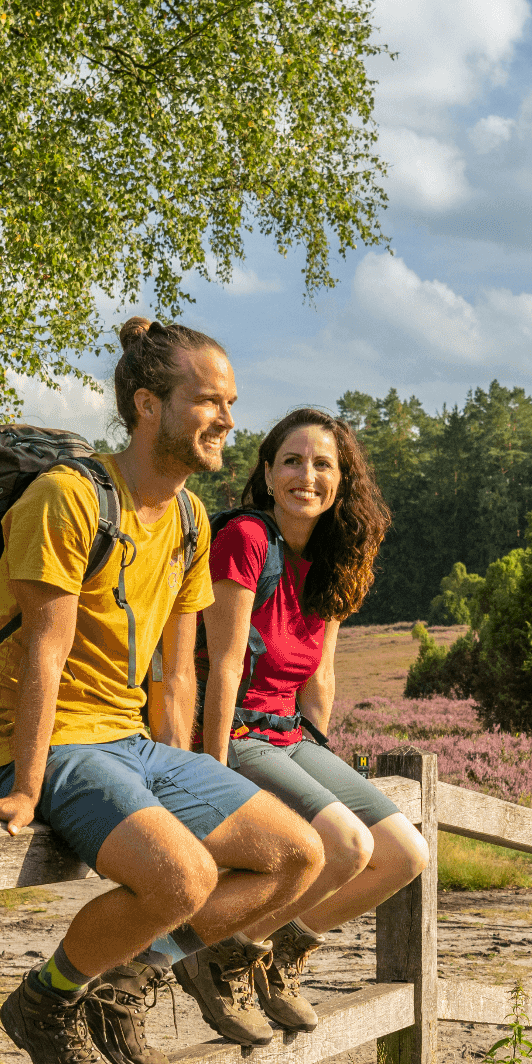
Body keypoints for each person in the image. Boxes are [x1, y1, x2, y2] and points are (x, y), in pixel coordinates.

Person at [0, 318, 325, 1064]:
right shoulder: (70, 498)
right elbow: (42, 655)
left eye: (231, 402)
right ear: (150, 405)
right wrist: (20, 786)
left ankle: (129, 981)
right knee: (184, 878)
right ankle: (46, 1001)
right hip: (53, 745)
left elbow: (174, 678)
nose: (227, 420)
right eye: (209, 401)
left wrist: (203, 780)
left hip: (131, 742)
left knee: (298, 856)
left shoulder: (190, 518)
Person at [196, 407, 431, 1031]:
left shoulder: (334, 556)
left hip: (290, 735)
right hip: (236, 728)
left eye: (323, 464)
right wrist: (212, 775)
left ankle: (278, 954)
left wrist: (322, 765)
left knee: (405, 854)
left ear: (341, 480)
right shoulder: (246, 539)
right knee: (349, 845)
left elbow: (318, 677)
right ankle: (224, 956)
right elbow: (223, 665)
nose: (307, 475)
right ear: (268, 474)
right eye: (292, 462)